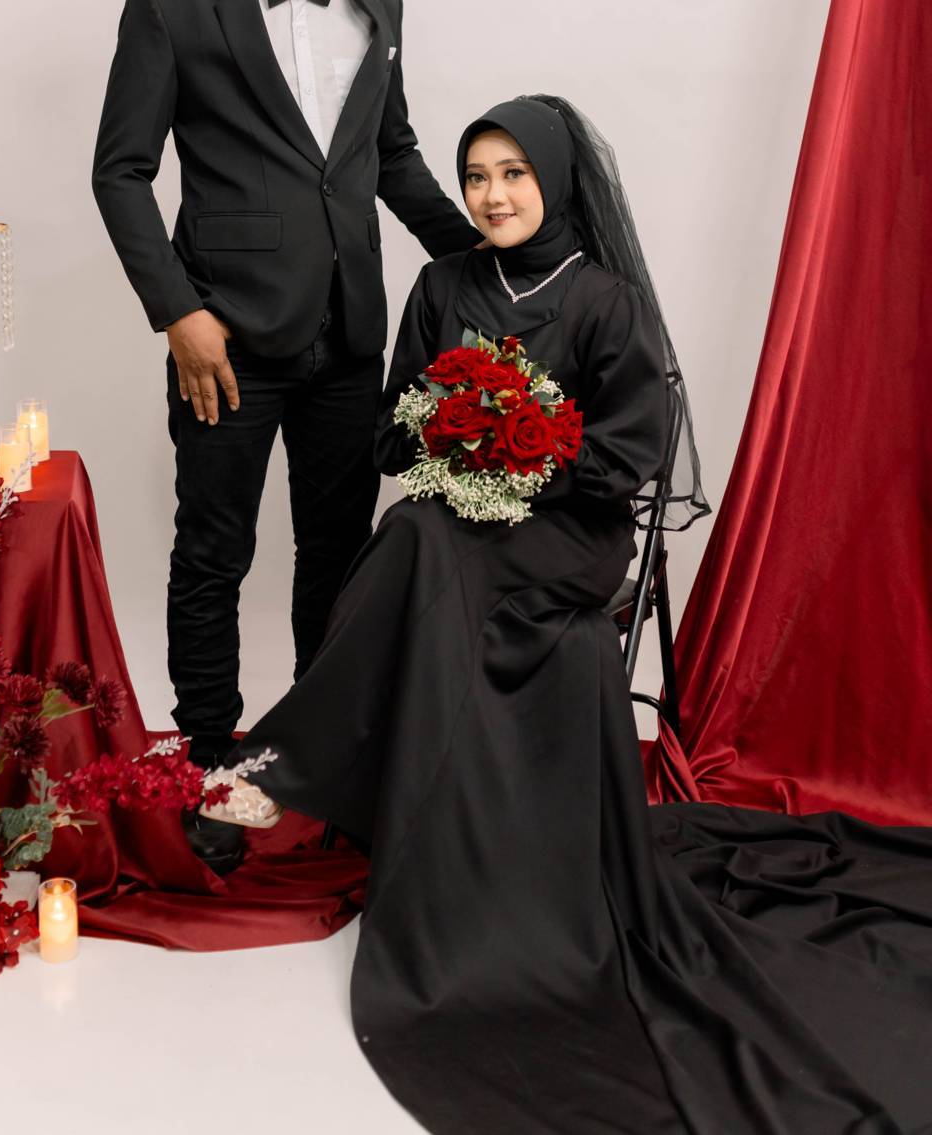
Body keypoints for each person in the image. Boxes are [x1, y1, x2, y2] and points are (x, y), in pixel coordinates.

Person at [203, 95, 932, 1135]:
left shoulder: (604, 300)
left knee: (417, 540)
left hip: (571, 534)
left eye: (513, 174)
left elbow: (628, 460)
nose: (492, 195)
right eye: (476, 176)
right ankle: (317, 783)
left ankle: (275, 771)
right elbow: (390, 434)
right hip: (459, 518)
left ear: (553, 178)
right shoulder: (443, 284)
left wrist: (525, 442)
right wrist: (453, 431)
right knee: (418, 528)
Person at [92, 0, 477, 869]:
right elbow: (121, 170)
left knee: (339, 553)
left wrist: (479, 255)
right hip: (225, 335)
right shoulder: (171, 3)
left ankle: (316, 750)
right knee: (214, 549)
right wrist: (180, 311)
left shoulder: (379, 2)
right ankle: (212, 760)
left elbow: (390, 156)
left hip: (349, 330)